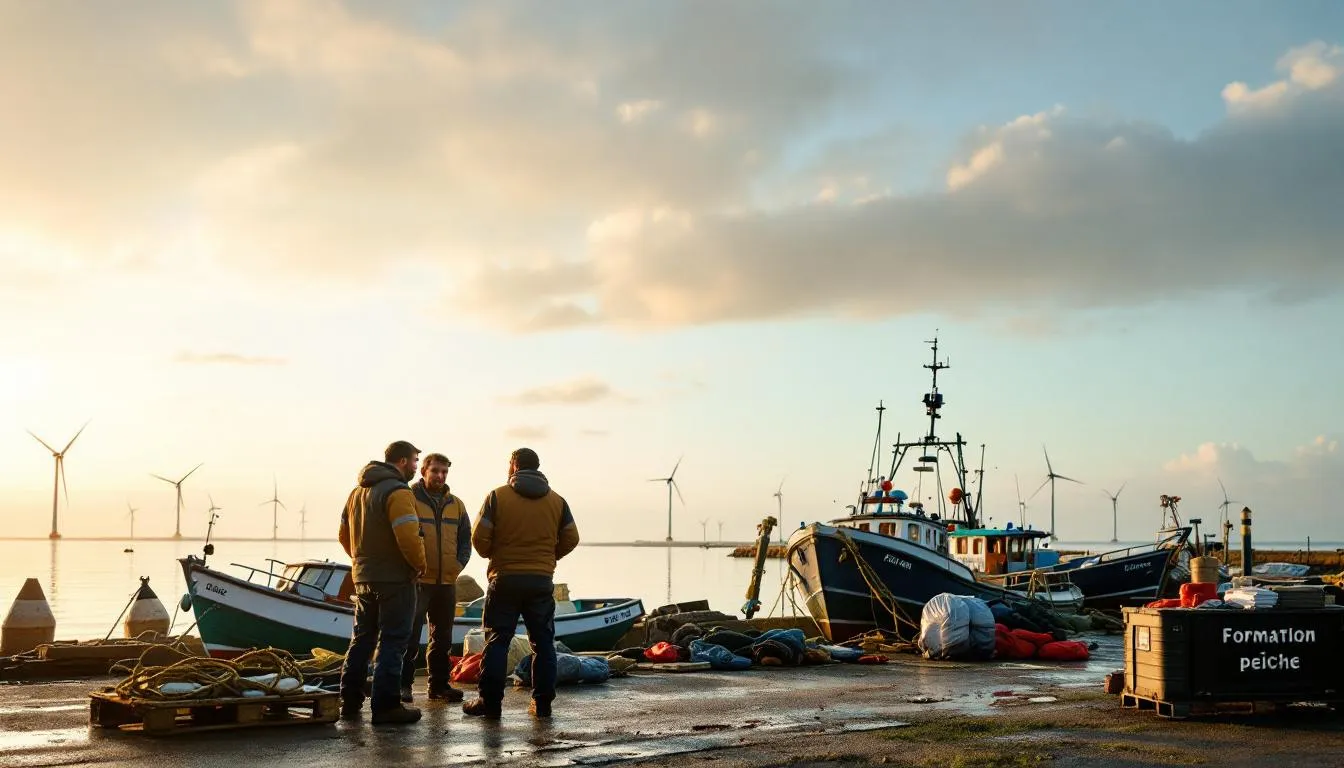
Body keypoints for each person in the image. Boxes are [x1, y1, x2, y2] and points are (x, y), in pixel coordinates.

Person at [462, 447, 579, 719]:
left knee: (497, 641)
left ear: (514, 466)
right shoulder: (558, 501)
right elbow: (571, 538)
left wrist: (493, 553)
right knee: (543, 644)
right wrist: (548, 558)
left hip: (504, 579)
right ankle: (542, 704)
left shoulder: (497, 497)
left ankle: (490, 704)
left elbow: (479, 538)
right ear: (537, 467)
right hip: (540, 581)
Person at [337, 440, 427, 725]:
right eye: (415, 461)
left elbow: (343, 534)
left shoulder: (356, 493)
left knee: (362, 638)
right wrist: (419, 565)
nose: (416, 467)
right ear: (402, 461)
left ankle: (349, 700)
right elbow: (408, 536)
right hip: (395, 579)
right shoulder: (398, 492)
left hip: (364, 577)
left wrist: (362, 562)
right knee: (393, 640)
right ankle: (386, 706)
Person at [400, 452, 472, 703]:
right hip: (417, 581)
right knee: (409, 636)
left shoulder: (456, 504)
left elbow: (466, 540)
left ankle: (439, 685)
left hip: (446, 582)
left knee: (442, 638)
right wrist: (408, 569)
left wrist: (457, 566)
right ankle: (403, 686)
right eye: (435, 471)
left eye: (445, 472)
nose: (440, 476)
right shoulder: (408, 499)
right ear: (424, 472)